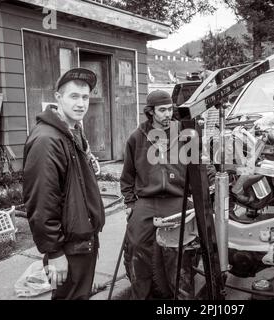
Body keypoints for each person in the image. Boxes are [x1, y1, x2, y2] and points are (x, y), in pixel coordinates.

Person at [23, 68, 105, 300]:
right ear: (58, 98)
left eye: (86, 97)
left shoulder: (72, 132)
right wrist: (55, 252)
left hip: (82, 241)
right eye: (74, 96)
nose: (81, 103)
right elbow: (41, 202)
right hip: (68, 248)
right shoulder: (47, 140)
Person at [121, 90, 206, 300]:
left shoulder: (185, 135)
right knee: (136, 248)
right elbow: (127, 176)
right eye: (162, 110)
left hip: (177, 200)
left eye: (170, 109)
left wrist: (202, 197)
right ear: (150, 112)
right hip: (146, 202)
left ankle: (182, 299)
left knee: (177, 255)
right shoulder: (136, 137)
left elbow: (199, 169)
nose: (168, 114)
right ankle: (141, 295)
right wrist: (131, 204)